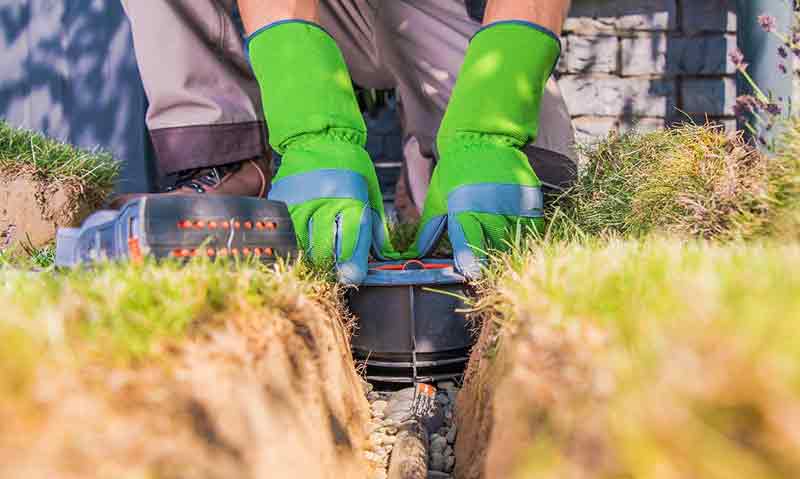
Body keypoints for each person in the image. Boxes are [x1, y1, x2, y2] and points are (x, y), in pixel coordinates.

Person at [119, 0, 576, 282]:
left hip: (440, 9)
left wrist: (488, 131)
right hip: (317, 11)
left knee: (542, 179)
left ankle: (426, 158)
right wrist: (314, 133)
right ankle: (232, 161)